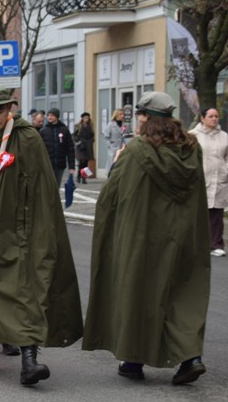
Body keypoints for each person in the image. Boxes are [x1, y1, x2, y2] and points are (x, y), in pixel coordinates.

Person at [0, 85, 82, 386]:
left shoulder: (27, 137)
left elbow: (41, 189)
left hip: (18, 228)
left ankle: (30, 359)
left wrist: (35, 230)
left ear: (10, 108)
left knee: (25, 290)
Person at [85, 91, 209, 384]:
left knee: (138, 293)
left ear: (144, 118)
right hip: (184, 237)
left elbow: (114, 195)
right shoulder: (192, 149)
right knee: (181, 295)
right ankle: (190, 357)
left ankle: (133, 359)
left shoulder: (137, 152)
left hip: (143, 237)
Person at [190, 107, 228, 256]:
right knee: (199, 212)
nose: (214, 119)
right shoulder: (193, 135)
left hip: (219, 178)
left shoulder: (224, 136)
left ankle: (216, 244)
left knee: (216, 213)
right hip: (199, 178)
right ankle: (197, 243)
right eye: (211, 116)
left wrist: (226, 171)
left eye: (216, 116)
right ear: (202, 118)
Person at [40, 108, 76, 186]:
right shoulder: (43, 131)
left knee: (57, 185)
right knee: (48, 186)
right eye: (48, 115)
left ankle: (55, 198)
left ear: (57, 117)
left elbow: (70, 149)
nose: (49, 117)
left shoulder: (64, 130)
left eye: (52, 115)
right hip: (47, 164)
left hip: (60, 164)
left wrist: (71, 166)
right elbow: (39, 149)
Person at [73, 112, 95, 184]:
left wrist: (91, 141)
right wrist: (79, 143)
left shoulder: (90, 126)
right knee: (81, 162)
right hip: (81, 147)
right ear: (82, 118)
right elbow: (74, 136)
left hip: (88, 146)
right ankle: (79, 176)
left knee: (85, 163)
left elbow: (92, 135)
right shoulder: (78, 126)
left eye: (87, 118)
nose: (86, 119)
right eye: (85, 118)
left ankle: (83, 177)